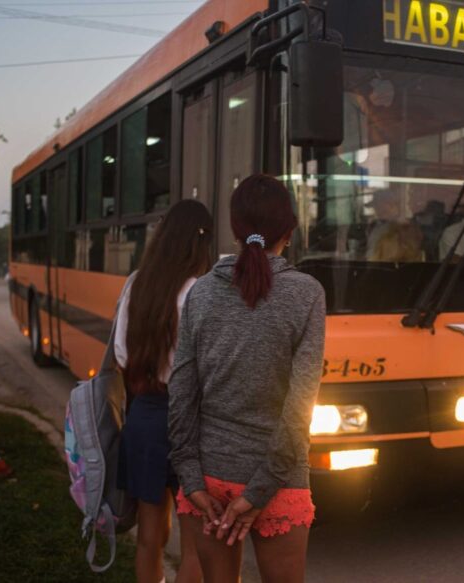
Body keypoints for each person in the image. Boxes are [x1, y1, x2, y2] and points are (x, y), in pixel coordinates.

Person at [169, 175, 326, 583]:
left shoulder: (201, 293)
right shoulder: (307, 294)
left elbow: (182, 392)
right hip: (280, 480)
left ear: (235, 231)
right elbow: (300, 406)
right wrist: (259, 492)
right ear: (289, 232)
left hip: (209, 480)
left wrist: (190, 479)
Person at [113, 199, 212, 583]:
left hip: (144, 417)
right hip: (188, 422)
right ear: (199, 242)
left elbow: (121, 352)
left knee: (149, 538)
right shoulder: (199, 292)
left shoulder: (137, 283)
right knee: (194, 543)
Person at [365, 189, 423, 262]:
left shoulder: (405, 228)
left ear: (390, 204)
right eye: (375, 206)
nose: (376, 209)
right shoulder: (375, 226)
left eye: (378, 205)